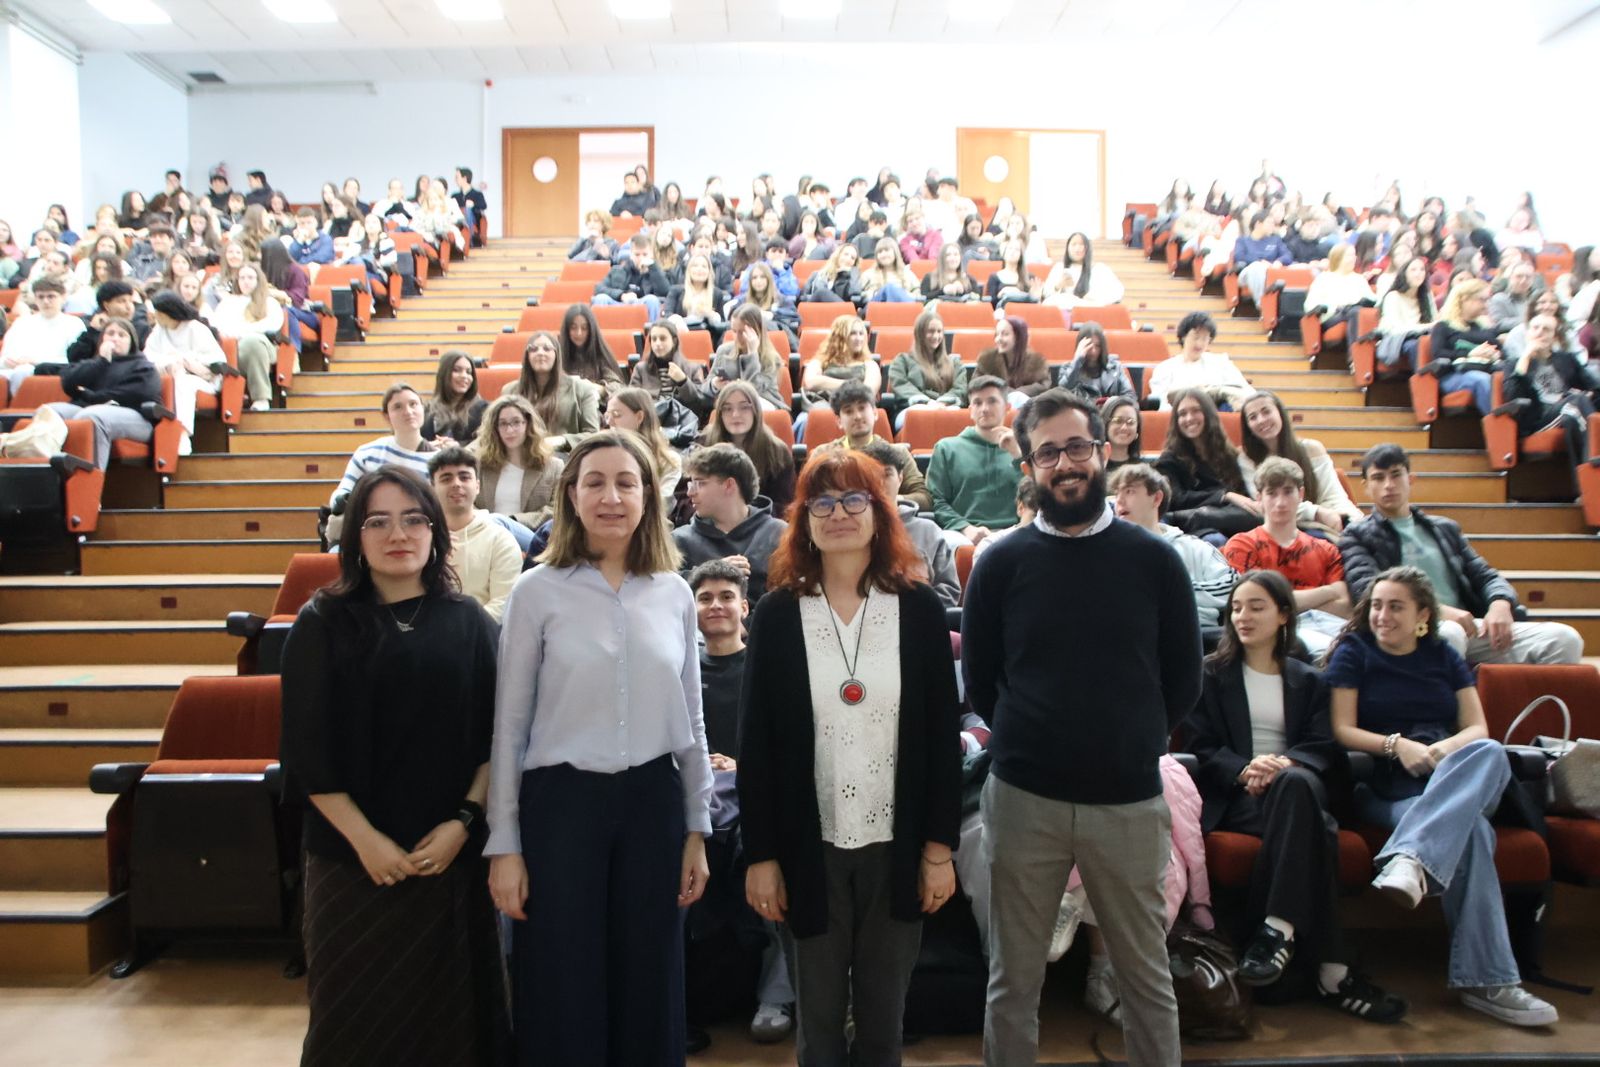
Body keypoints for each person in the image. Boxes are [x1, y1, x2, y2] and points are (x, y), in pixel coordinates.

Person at [963, 388, 1199, 1067]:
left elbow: (1182, 677)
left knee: (1145, 977)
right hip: (1024, 798)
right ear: (1029, 467)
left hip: (1127, 799)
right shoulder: (1000, 562)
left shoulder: (1154, 560)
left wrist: (1130, 738)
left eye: (1075, 447)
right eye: (1046, 452)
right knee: (1013, 980)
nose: (1063, 463)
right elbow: (983, 679)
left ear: (1101, 451)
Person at [488, 431, 712, 1065]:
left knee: (651, 976)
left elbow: (691, 720)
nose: (611, 496)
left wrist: (696, 828)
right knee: (562, 979)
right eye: (595, 481)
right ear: (571, 494)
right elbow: (510, 726)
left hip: (651, 801)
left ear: (648, 497)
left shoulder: (674, 593)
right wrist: (504, 845)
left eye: (626, 482)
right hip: (561, 805)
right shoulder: (536, 592)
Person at [737, 449, 962, 1067]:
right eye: (823, 502)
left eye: (854, 499)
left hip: (900, 844)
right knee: (819, 1022)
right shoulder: (778, 614)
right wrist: (761, 856)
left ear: (878, 512)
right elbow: (756, 746)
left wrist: (939, 851)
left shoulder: (917, 609)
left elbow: (943, 737)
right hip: (810, 849)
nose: (839, 513)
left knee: (885, 1022)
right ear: (804, 520)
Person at [280, 466, 508, 1066]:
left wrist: (464, 821)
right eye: (377, 521)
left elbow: (496, 740)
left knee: (453, 1023)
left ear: (436, 531)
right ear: (355, 536)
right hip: (351, 860)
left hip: (449, 858)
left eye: (413, 519)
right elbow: (306, 753)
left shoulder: (471, 623)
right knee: (353, 1019)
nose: (397, 534)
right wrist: (368, 842)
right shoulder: (321, 623)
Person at [1325, 567, 1559, 1027]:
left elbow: (1477, 728)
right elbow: (1342, 730)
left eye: (1395, 606)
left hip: (1448, 774)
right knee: (1470, 832)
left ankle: (1411, 857)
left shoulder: (1441, 655)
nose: (1382, 615)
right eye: (1376, 605)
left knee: (1488, 751)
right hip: (1385, 785)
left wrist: (1442, 750)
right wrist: (1398, 745)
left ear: (1423, 616)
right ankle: (1488, 983)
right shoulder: (1354, 652)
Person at [1183, 571, 1407, 1022]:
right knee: (1316, 826)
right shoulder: (1210, 674)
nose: (1243, 616)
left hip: (1295, 786)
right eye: (1238, 607)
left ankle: (1278, 932)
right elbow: (1200, 746)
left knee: (1297, 786)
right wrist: (1246, 768)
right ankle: (1332, 968)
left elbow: (1325, 746)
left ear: (1284, 614)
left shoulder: (1310, 680)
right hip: (1240, 797)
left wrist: (1286, 764)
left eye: (1257, 607)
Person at [1341, 444, 1583, 665]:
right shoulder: (1356, 535)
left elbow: (1485, 575)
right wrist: (1437, 612)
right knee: (1450, 634)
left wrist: (1500, 603)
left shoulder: (1444, 528)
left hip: (1470, 626)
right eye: (1378, 478)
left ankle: (1530, 711)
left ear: (1410, 479)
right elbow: (1366, 590)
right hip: (1411, 628)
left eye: (1396, 475)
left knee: (1564, 639)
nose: (1388, 485)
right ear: (1366, 487)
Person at [1223, 458, 1351, 656]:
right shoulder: (1242, 544)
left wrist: (1280, 605)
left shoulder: (1327, 548)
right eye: (1271, 493)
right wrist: (1329, 591)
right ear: (1259, 498)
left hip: (1331, 630)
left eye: (1288, 492)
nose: (1280, 502)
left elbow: (1345, 606)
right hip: (1270, 640)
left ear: (1300, 494)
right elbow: (1254, 605)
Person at [1109, 463, 1235, 634]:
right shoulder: (1109, 553)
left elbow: (1233, 587)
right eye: (1117, 493)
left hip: (1199, 637)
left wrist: (1171, 592)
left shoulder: (1195, 548)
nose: (1119, 501)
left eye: (1129, 491)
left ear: (1156, 498)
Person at [674, 443, 788, 604]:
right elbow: (664, 592)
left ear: (729, 485)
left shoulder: (779, 534)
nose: (690, 492)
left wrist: (747, 626)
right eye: (690, 484)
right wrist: (709, 573)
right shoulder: (679, 540)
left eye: (700, 483)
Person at [45, 316, 161, 470]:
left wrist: (92, 396)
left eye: (121, 335)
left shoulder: (143, 366)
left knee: (91, 416)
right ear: (102, 339)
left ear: (131, 341)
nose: (115, 339)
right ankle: (48, 473)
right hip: (91, 408)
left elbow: (138, 393)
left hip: (138, 419)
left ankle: (91, 477)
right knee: (49, 412)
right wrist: (101, 361)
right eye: (110, 333)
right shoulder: (95, 363)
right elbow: (68, 383)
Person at [1239, 390, 1362, 530]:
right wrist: (1316, 513)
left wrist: (1351, 521)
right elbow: (1266, 505)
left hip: (1329, 520)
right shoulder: (1247, 459)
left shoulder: (1312, 449)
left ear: (1280, 413)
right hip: (1288, 528)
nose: (1261, 420)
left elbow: (1334, 497)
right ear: (1247, 426)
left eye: (1266, 412)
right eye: (1253, 417)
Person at [859, 441, 960, 607]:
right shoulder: (852, 530)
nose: (880, 482)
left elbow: (949, 590)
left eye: (887, 474)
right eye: (872, 475)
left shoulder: (928, 531)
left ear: (900, 478)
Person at [1499, 311, 1598, 481]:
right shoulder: (1513, 364)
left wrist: (1588, 396)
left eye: (1546, 329)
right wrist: (1526, 357)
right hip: (1538, 420)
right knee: (1575, 403)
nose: (1539, 332)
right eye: (1535, 328)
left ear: (1554, 337)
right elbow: (1513, 396)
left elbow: (1595, 388)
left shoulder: (1566, 359)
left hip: (1568, 411)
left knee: (1571, 417)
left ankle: (1585, 488)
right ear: (1528, 333)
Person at [925, 375, 1023, 547]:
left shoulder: (1024, 448)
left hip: (1015, 531)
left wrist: (1018, 457)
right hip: (963, 534)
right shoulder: (947, 448)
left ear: (1007, 407)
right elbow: (936, 500)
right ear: (970, 409)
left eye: (992, 401)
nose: (984, 408)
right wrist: (966, 528)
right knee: (949, 543)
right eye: (977, 403)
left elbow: (1037, 496)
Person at [427, 447, 522, 622]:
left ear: (477, 486)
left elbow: (504, 603)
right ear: (432, 489)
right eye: (446, 478)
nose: (456, 484)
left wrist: (461, 631)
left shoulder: (500, 540)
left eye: (464, 477)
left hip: (482, 639)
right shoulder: (423, 540)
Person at [808, 382, 932, 511]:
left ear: (875, 413)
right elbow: (809, 496)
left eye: (862, 408)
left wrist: (892, 499)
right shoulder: (823, 454)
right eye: (848, 411)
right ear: (839, 421)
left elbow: (925, 499)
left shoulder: (897, 453)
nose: (857, 416)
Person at [1155, 387, 1260, 538]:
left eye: (1196, 411)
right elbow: (1175, 499)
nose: (1189, 418)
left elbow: (1242, 495)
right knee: (1215, 539)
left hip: (1229, 520)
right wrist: (1223, 496)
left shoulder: (1227, 453)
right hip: (1196, 530)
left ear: (1208, 414)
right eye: (1182, 414)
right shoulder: (1169, 459)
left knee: (1259, 518)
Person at [328, 383, 436, 517]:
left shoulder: (438, 459)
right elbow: (342, 492)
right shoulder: (367, 453)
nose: (408, 412)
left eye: (413, 404)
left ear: (423, 408)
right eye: (398, 407)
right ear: (386, 416)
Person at [142, 289, 224, 457]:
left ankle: (182, 434)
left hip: (201, 380)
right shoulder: (159, 330)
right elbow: (148, 357)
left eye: (158, 312)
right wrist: (168, 362)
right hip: (168, 377)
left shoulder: (196, 329)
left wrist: (184, 361)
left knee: (182, 383)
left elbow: (215, 363)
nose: (154, 315)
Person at [702, 379, 796, 517]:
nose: (735, 415)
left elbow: (783, 505)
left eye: (744, 407)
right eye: (727, 408)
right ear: (720, 414)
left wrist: (744, 514)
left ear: (756, 411)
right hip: (712, 521)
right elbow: (691, 495)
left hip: (761, 523)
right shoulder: (704, 444)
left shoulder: (777, 452)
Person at [502, 330, 601, 452]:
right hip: (521, 458)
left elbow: (593, 435)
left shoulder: (581, 389)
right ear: (527, 356)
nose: (540, 353)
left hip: (565, 459)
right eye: (533, 349)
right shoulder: (510, 391)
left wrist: (563, 440)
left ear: (556, 354)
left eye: (547, 348)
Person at [205, 261, 284, 411]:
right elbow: (218, 326)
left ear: (258, 280)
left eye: (250, 278)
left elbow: (272, 325)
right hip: (231, 348)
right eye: (242, 278)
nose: (246, 281)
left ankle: (261, 398)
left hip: (262, 346)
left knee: (252, 341)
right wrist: (236, 334)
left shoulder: (270, 302)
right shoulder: (227, 303)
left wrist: (241, 332)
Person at [1428, 279, 1504, 416]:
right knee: (1481, 380)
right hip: (1454, 374)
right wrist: (1471, 353)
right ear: (1464, 299)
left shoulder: (1485, 327)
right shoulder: (1443, 327)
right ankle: (1498, 427)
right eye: (1482, 300)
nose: (1486, 305)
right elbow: (1438, 354)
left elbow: (1501, 351)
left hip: (1489, 368)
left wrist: (1495, 354)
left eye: (1488, 300)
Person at [1146, 311, 1250, 410]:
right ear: (1183, 337)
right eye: (1195, 337)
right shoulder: (1165, 368)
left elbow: (1246, 391)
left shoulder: (1221, 363)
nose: (1199, 344)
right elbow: (1160, 403)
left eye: (1205, 338)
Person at [604, 386, 683, 507]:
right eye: (607, 415)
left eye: (616, 414)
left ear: (639, 417)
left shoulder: (669, 461)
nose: (609, 422)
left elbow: (663, 506)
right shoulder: (601, 455)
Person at [1, 278, 84, 391]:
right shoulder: (22, 322)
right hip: (13, 370)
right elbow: (6, 355)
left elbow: (73, 360)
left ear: (63, 297)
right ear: (35, 299)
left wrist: (34, 362)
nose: (45, 301)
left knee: (23, 371)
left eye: (51, 296)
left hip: (48, 372)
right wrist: (9, 361)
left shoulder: (74, 324)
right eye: (41, 297)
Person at [888, 308, 967, 424]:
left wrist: (941, 403)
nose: (936, 336)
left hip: (946, 408)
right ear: (920, 333)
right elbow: (900, 384)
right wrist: (927, 403)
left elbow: (960, 388)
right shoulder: (902, 361)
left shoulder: (954, 363)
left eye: (939, 331)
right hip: (913, 409)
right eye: (931, 331)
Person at [709, 304, 785, 411]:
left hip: (765, 405)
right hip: (730, 405)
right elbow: (706, 387)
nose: (737, 337)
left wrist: (752, 354)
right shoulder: (724, 351)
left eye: (742, 332)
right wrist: (714, 384)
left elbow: (753, 390)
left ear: (756, 331)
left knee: (747, 406)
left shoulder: (772, 358)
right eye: (734, 331)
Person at [800, 315, 881, 410]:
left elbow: (868, 391)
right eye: (853, 334)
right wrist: (854, 385)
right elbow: (811, 382)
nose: (859, 339)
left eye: (861, 334)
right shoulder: (819, 361)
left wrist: (824, 382)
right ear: (840, 336)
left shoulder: (870, 365)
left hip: (857, 407)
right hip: (823, 404)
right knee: (806, 419)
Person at [975, 315, 1050, 408]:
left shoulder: (1037, 361)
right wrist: (1010, 393)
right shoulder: (987, 359)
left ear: (1019, 337)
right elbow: (976, 385)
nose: (998, 339)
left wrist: (1020, 394)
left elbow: (1043, 387)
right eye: (997, 334)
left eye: (1005, 334)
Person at [594, 233, 671, 323]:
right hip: (620, 303)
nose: (641, 258)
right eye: (637, 255)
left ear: (651, 254)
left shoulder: (656, 272)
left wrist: (652, 269)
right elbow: (599, 288)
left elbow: (666, 292)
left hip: (642, 303)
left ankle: (651, 332)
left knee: (652, 300)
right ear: (631, 254)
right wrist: (621, 295)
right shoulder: (618, 270)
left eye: (645, 254)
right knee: (601, 298)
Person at [1056, 321, 1134, 406]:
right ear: (1080, 346)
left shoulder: (1115, 367)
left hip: (1110, 417)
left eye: (1097, 346)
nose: (1093, 351)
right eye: (1089, 345)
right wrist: (1078, 360)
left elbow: (1130, 397)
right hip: (1081, 417)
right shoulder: (1068, 368)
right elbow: (1062, 394)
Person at [1041, 232, 1124, 310]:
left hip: (1090, 309)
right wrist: (1058, 286)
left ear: (1088, 248)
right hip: (1065, 308)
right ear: (1067, 248)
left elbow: (1117, 291)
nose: (1077, 248)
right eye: (1074, 244)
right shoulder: (1059, 268)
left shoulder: (1099, 269)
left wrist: (1093, 297)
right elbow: (1046, 294)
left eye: (1081, 244)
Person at [422, 350, 486, 444]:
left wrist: (458, 446)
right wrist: (429, 446)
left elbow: (487, 444)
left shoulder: (483, 409)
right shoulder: (426, 410)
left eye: (469, 372)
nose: (464, 376)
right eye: (456, 370)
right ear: (444, 374)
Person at [1232, 210, 1295, 301]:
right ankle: (1262, 302)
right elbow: (1239, 257)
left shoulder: (1275, 240)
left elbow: (1288, 255)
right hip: (1248, 273)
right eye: (1269, 223)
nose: (1273, 226)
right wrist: (1260, 261)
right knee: (1257, 267)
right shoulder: (1243, 241)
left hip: (1272, 272)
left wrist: (1279, 261)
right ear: (1258, 224)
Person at [858, 238, 920, 304]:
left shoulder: (907, 273)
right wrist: (872, 293)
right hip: (877, 308)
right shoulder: (868, 274)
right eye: (880, 252)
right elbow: (857, 294)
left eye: (887, 250)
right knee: (889, 287)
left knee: (892, 289)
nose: (883, 255)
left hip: (902, 308)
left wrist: (903, 294)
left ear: (895, 253)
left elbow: (918, 295)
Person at [1101, 395, 1143, 476]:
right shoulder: (1095, 467)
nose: (1124, 427)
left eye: (1130, 422)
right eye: (1118, 420)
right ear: (1106, 424)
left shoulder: (1143, 470)